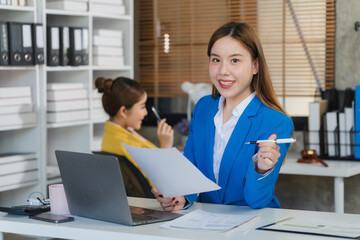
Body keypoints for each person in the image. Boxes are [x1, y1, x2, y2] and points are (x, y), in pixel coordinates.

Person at [152, 22, 294, 210]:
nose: (222, 71)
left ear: (255, 66)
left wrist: (262, 169)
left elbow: (257, 201)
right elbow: (190, 171)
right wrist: (180, 196)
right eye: (216, 60)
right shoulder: (203, 107)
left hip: (252, 227)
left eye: (235, 60)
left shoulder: (276, 122)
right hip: (205, 223)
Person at [95, 76, 174, 191]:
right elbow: (161, 184)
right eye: (142, 107)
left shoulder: (112, 135)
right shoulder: (128, 145)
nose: (146, 112)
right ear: (124, 111)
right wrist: (166, 148)